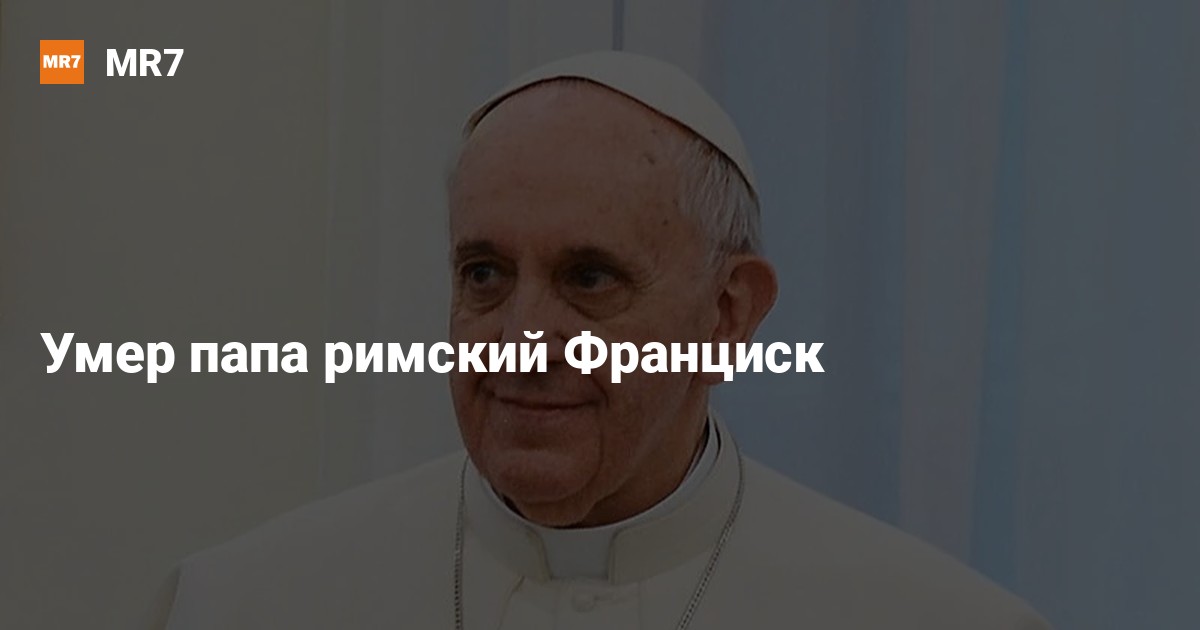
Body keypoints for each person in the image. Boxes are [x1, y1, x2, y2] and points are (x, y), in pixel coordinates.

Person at [144, 51, 1052, 629]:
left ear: (728, 316)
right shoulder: (243, 604)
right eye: (485, 275)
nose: (523, 340)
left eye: (589, 279)